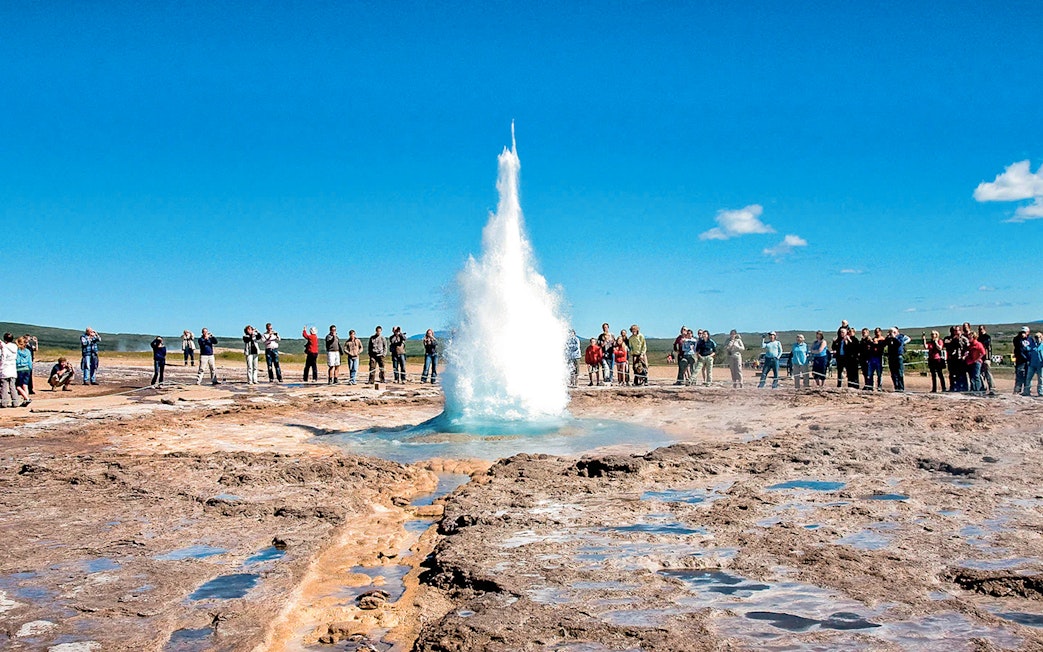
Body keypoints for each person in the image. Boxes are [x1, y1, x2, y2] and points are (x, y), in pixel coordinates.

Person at [883, 326, 910, 392]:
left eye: (892, 332)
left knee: (899, 373)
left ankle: (901, 388)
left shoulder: (900, 337)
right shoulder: (889, 338)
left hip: (898, 356)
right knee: (893, 373)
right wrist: (887, 338)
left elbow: (899, 343)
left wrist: (894, 337)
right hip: (891, 357)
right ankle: (896, 387)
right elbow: (884, 344)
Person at [944, 326, 968, 392]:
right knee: (952, 374)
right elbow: (946, 344)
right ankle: (953, 387)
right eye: (954, 331)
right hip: (952, 359)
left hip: (960, 359)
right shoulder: (948, 338)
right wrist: (953, 340)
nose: (955, 332)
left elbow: (967, 348)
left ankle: (963, 387)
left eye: (957, 331)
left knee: (961, 374)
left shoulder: (963, 339)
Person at [1022, 332, 1043, 397]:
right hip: (1032, 364)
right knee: (1028, 378)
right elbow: (1028, 349)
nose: (1037, 339)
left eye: (1038, 337)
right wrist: (1024, 346)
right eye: (1036, 337)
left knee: (1041, 379)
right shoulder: (1033, 345)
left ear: (1041, 338)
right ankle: (1027, 391)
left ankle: (1041, 392)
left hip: (1040, 364)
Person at [977, 325, 996, 396]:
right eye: (979, 329)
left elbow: (987, 347)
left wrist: (988, 358)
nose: (980, 331)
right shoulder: (978, 338)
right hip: (980, 358)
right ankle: (983, 387)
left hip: (986, 358)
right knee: (981, 374)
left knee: (987, 373)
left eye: (981, 329)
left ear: (984, 329)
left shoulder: (987, 337)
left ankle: (992, 387)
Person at [0, 333, 17, 408]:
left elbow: (3, 358)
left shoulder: (4, 348)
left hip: (5, 369)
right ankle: (15, 401)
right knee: (12, 386)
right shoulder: (15, 347)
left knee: (3, 386)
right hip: (13, 369)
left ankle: (4, 402)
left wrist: (0, 367)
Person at [14, 337, 32, 407]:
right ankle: (25, 400)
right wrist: (30, 368)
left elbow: (17, 360)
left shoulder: (17, 351)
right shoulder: (28, 351)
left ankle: (27, 398)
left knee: (17, 386)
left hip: (19, 369)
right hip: (27, 368)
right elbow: (30, 361)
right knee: (25, 385)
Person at [1013, 326, 1031, 395]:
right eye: (1022, 332)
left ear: (1028, 332)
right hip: (1020, 360)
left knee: (1028, 376)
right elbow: (1018, 347)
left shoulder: (1030, 339)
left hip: (1028, 360)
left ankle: (1027, 391)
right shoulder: (1017, 339)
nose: (1023, 333)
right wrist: (1020, 338)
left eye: (1025, 332)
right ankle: (1017, 390)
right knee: (1019, 375)